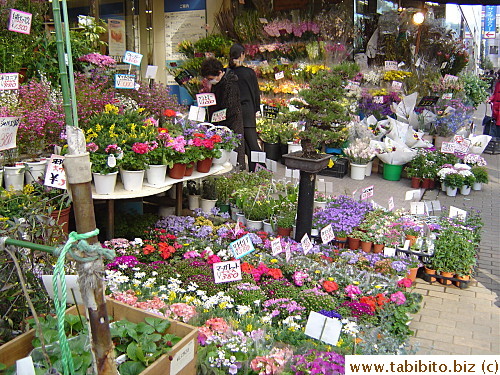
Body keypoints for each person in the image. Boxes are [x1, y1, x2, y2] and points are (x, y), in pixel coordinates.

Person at [200, 58, 246, 168]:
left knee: (234, 150)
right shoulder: (218, 83)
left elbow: (231, 107)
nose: (210, 81)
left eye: (211, 78)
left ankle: (237, 170)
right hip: (220, 121)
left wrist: (218, 118)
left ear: (220, 73)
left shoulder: (230, 84)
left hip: (231, 121)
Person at [229, 43, 262, 172]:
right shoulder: (249, 72)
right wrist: (257, 109)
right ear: (242, 55)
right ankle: (260, 167)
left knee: (241, 143)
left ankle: (244, 168)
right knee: (253, 142)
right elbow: (255, 92)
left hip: (234, 112)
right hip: (248, 110)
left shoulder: (228, 73)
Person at [488, 71, 500, 138]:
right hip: (496, 109)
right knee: (495, 129)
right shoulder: (498, 83)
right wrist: (490, 99)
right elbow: (495, 94)